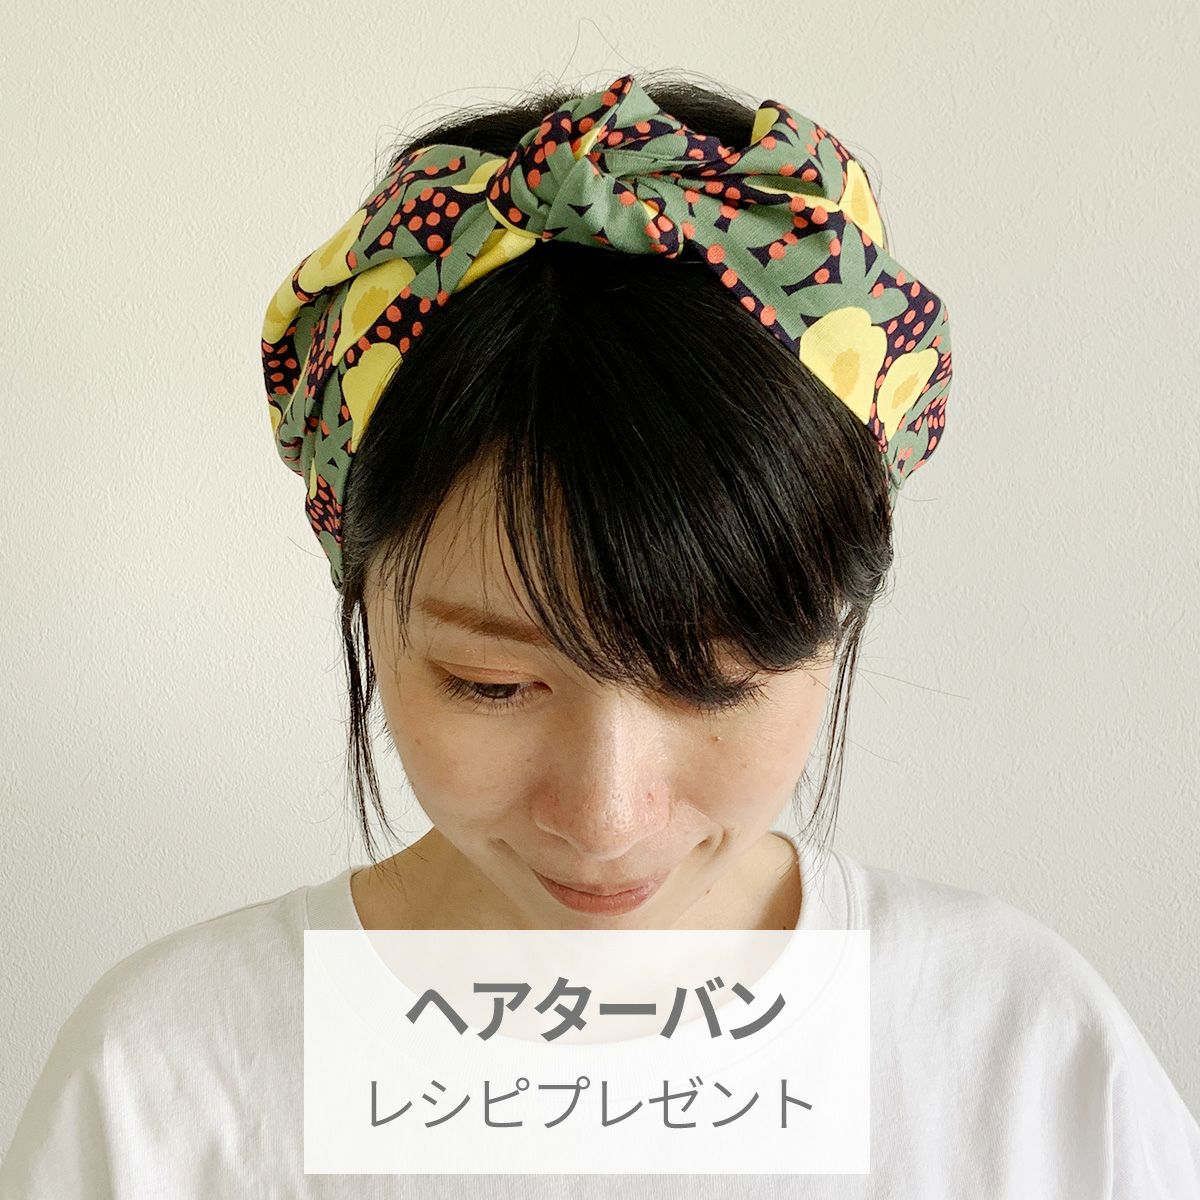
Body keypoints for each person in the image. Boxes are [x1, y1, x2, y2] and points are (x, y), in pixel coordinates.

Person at [3, 69, 1199, 1199]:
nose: (605, 819)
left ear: (836, 620)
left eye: (713, 681)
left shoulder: (1026, 1054)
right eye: (490, 683)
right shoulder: (163, 1086)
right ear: (361, 596)